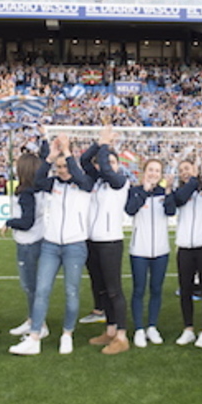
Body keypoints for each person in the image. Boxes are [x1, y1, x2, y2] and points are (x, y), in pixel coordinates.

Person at [10, 134, 92, 356]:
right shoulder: (51, 183)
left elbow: (79, 177)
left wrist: (67, 154)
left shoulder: (84, 184)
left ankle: (67, 334)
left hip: (75, 246)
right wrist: (50, 158)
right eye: (59, 167)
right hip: (51, 245)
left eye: (65, 166)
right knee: (42, 290)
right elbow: (37, 180)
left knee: (71, 292)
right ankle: (35, 337)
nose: (62, 170)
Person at [81, 126, 131, 355]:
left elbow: (109, 171)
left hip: (110, 241)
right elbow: (83, 160)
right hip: (93, 240)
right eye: (104, 162)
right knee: (101, 290)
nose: (106, 165)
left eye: (112, 161)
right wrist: (97, 143)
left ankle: (121, 335)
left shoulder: (119, 181)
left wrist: (104, 145)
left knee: (113, 290)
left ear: (117, 164)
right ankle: (110, 331)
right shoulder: (98, 182)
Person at [126, 158, 176, 348]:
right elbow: (130, 210)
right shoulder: (135, 191)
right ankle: (139, 328)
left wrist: (169, 190)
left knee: (156, 289)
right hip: (139, 250)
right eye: (150, 170)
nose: (153, 173)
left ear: (161, 174)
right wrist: (144, 192)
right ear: (143, 171)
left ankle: (152, 326)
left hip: (161, 250)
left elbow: (171, 212)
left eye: (157, 170)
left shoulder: (165, 192)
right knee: (139, 290)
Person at [173, 158, 202, 349]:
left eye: (188, 168)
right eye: (181, 169)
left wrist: (199, 180)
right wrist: (191, 182)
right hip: (184, 248)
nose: (184, 171)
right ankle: (188, 329)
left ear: (196, 169)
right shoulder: (179, 192)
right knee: (186, 290)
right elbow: (179, 200)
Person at [5, 151, 48, 340]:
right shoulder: (36, 191)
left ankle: (38, 323)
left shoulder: (27, 194)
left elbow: (26, 221)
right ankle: (33, 319)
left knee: (30, 286)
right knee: (33, 286)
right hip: (35, 240)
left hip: (29, 243)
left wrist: (9, 222)